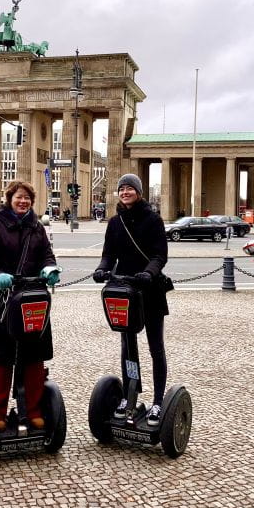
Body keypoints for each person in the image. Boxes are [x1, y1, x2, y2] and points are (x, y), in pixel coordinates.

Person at [0, 180, 62, 431]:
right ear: (9, 199)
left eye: (27, 198)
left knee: (34, 360)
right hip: (4, 301)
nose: (23, 201)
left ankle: (33, 410)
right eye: (18, 197)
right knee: (1, 361)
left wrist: (50, 268)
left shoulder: (37, 228)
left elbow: (47, 254)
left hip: (32, 300)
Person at [93, 173, 170, 426]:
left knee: (155, 347)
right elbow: (108, 254)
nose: (125, 192)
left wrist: (149, 273)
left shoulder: (153, 220)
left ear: (138, 192)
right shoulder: (115, 222)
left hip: (150, 289)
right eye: (122, 189)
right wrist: (102, 269)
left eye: (130, 188)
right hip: (125, 291)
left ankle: (158, 402)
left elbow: (160, 255)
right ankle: (130, 394)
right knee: (128, 346)